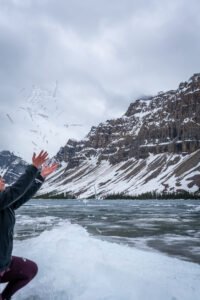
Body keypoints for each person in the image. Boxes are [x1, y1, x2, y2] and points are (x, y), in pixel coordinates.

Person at [0, 150, 58, 300]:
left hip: (3, 264)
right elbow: (16, 190)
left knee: (29, 269)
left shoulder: (5, 204)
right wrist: (33, 167)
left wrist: (41, 177)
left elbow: (21, 195)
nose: (3, 181)